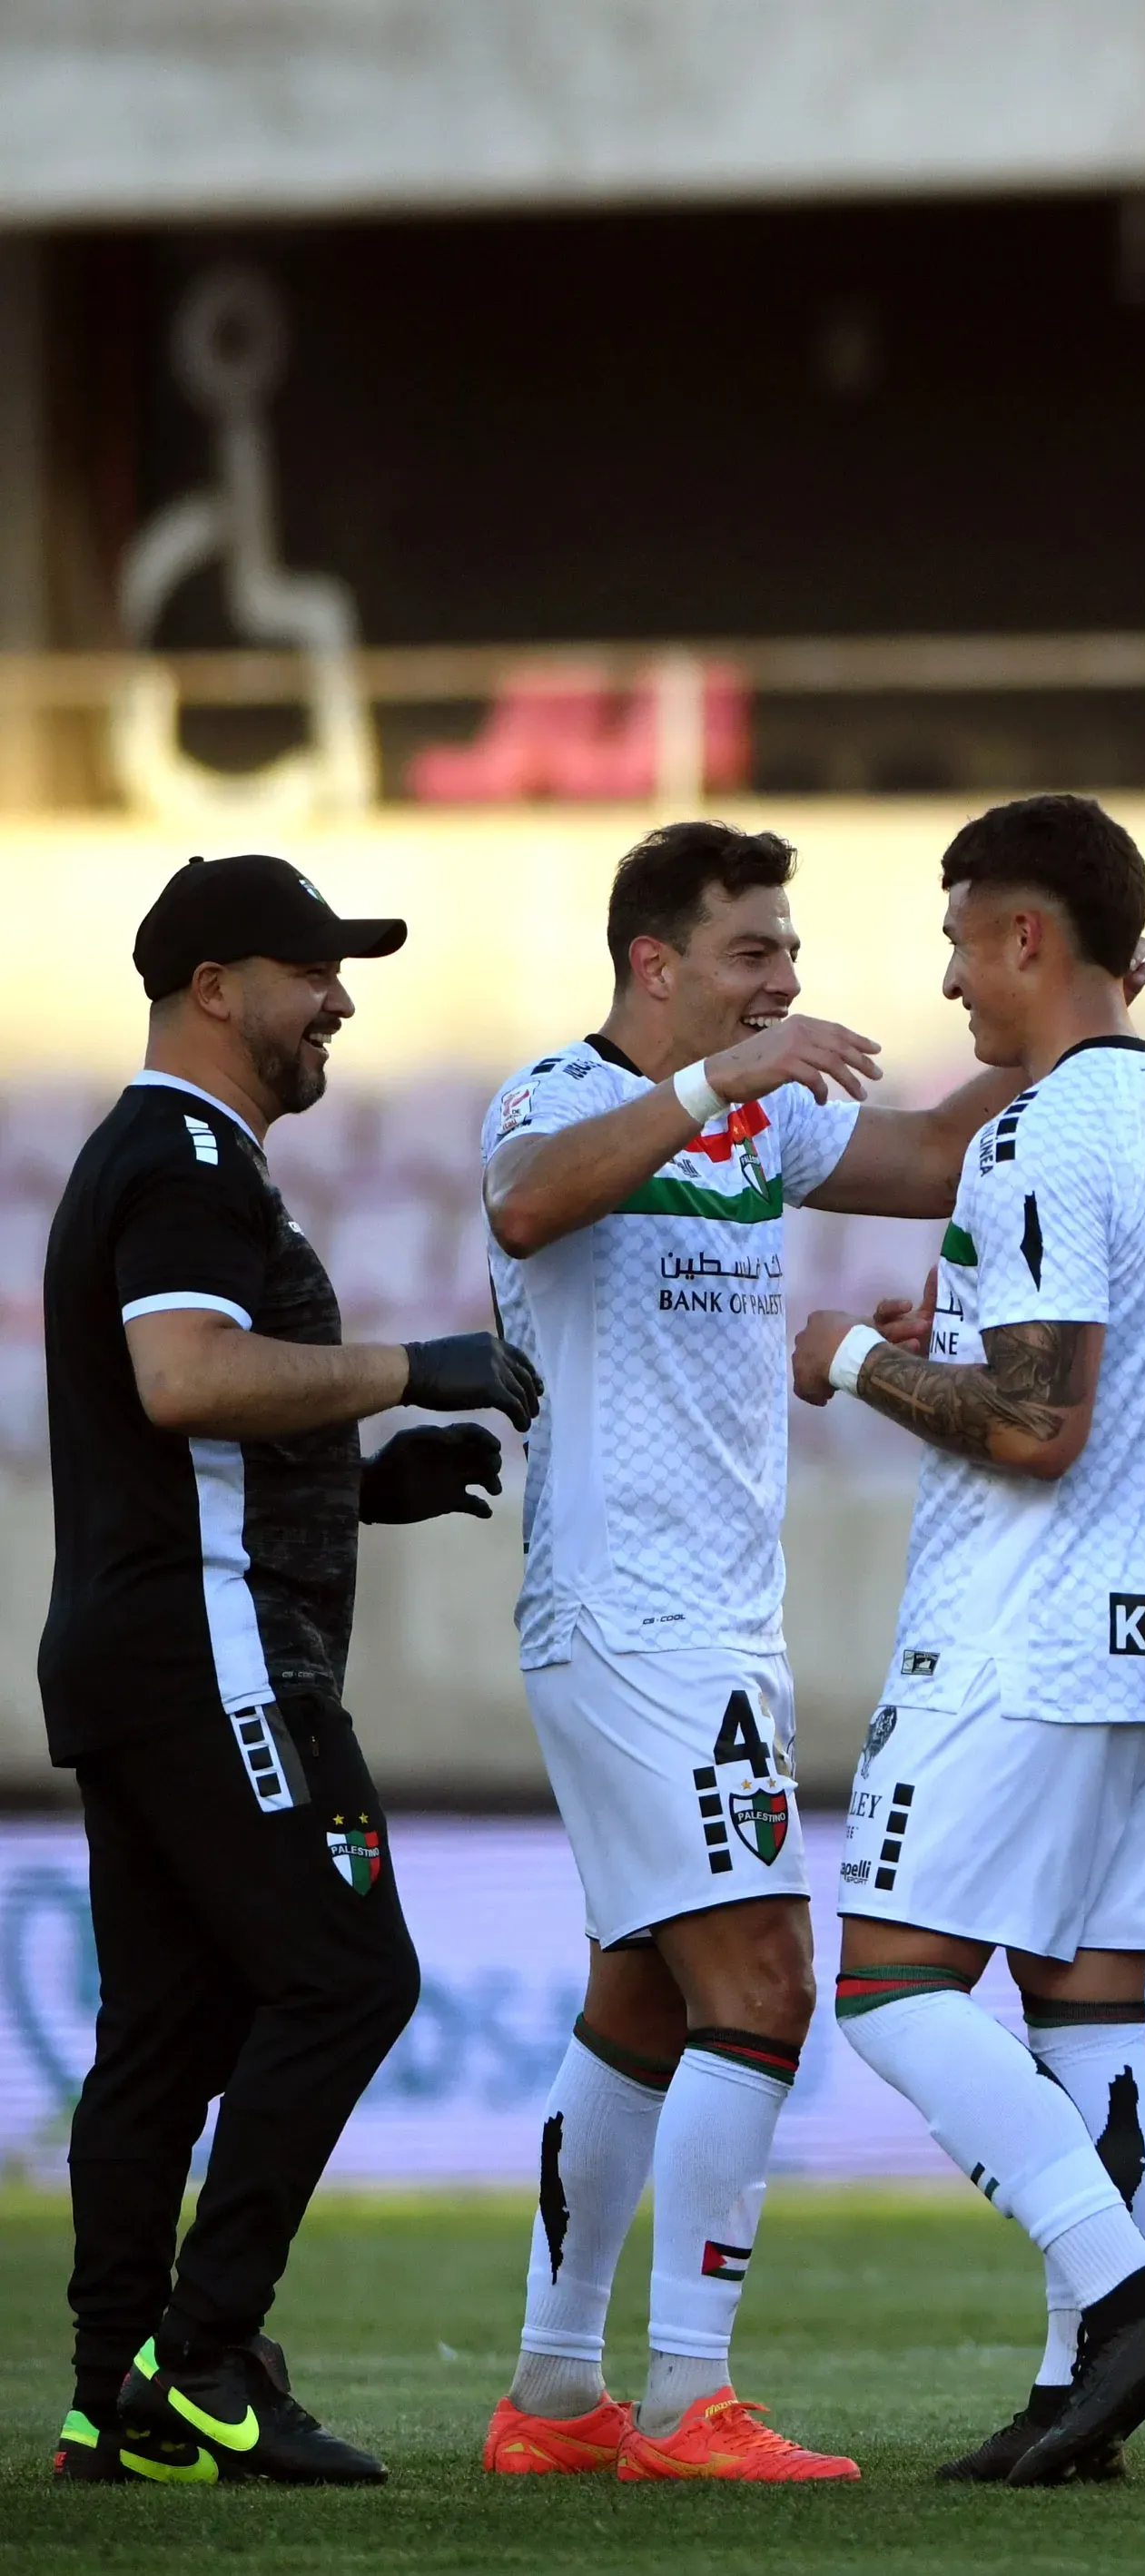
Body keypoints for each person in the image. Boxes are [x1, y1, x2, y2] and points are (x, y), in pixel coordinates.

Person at [476, 821, 1064, 2483]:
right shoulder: (551, 1096)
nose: (785, 981)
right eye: (753, 952)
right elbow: (527, 1206)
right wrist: (713, 1080)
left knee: (642, 1996)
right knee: (766, 1983)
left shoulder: (762, 1118)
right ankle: (689, 2396)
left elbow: (937, 1153)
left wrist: (1072, 1022)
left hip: (718, 1620)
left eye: (791, 952)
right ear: (654, 962)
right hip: (631, 1616)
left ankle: (555, 2392)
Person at [44, 854, 542, 2483]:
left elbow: (175, 1443)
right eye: (311, 969)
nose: (338, 1000)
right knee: (347, 1976)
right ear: (213, 987)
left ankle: (108, 2398)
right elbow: (184, 1379)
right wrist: (409, 1369)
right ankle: (204, 2357)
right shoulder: (189, 1158)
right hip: (211, 1650)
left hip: (139, 1646)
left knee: (166, 2033)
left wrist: (359, 1482)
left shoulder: (157, 1157)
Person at [788, 794, 1145, 2486]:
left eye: (962, 941)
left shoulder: (1044, 1127)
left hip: (1027, 1634)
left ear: (1029, 936)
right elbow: (1086, 1360)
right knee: (1088, 2010)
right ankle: (1076, 2391)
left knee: (891, 1985)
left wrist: (850, 1360)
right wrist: (958, 1335)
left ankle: (1126, 2299)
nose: (950, 980)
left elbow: (1043, 1424)